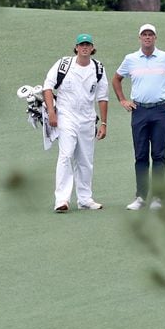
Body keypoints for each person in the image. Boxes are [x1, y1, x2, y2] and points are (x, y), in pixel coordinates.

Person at [111, 23, 165, 211]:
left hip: (161, 110)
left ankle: (158, 198)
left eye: (150, 35)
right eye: (144, 35)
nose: (147, 37)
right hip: (139, 111)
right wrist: (122, 100)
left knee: (159, 155)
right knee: (141, 155)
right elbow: (116, 79)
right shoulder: (130, 59)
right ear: (139, 38)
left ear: (155, 38)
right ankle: (141, 197)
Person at [43, 33, 109, 213]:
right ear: (76, 48)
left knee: (86, 159)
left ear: (92, 48)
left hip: (87, 119)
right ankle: (62, 199)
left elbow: (103, 97)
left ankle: (85, 199)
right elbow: (47, 87)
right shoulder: (64, 64)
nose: (85, 48)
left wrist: (104, 123)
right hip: (66, 116)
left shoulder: (98, 68)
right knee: (66, 154)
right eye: (82, 45)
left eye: (88, 45)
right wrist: (51, 112)